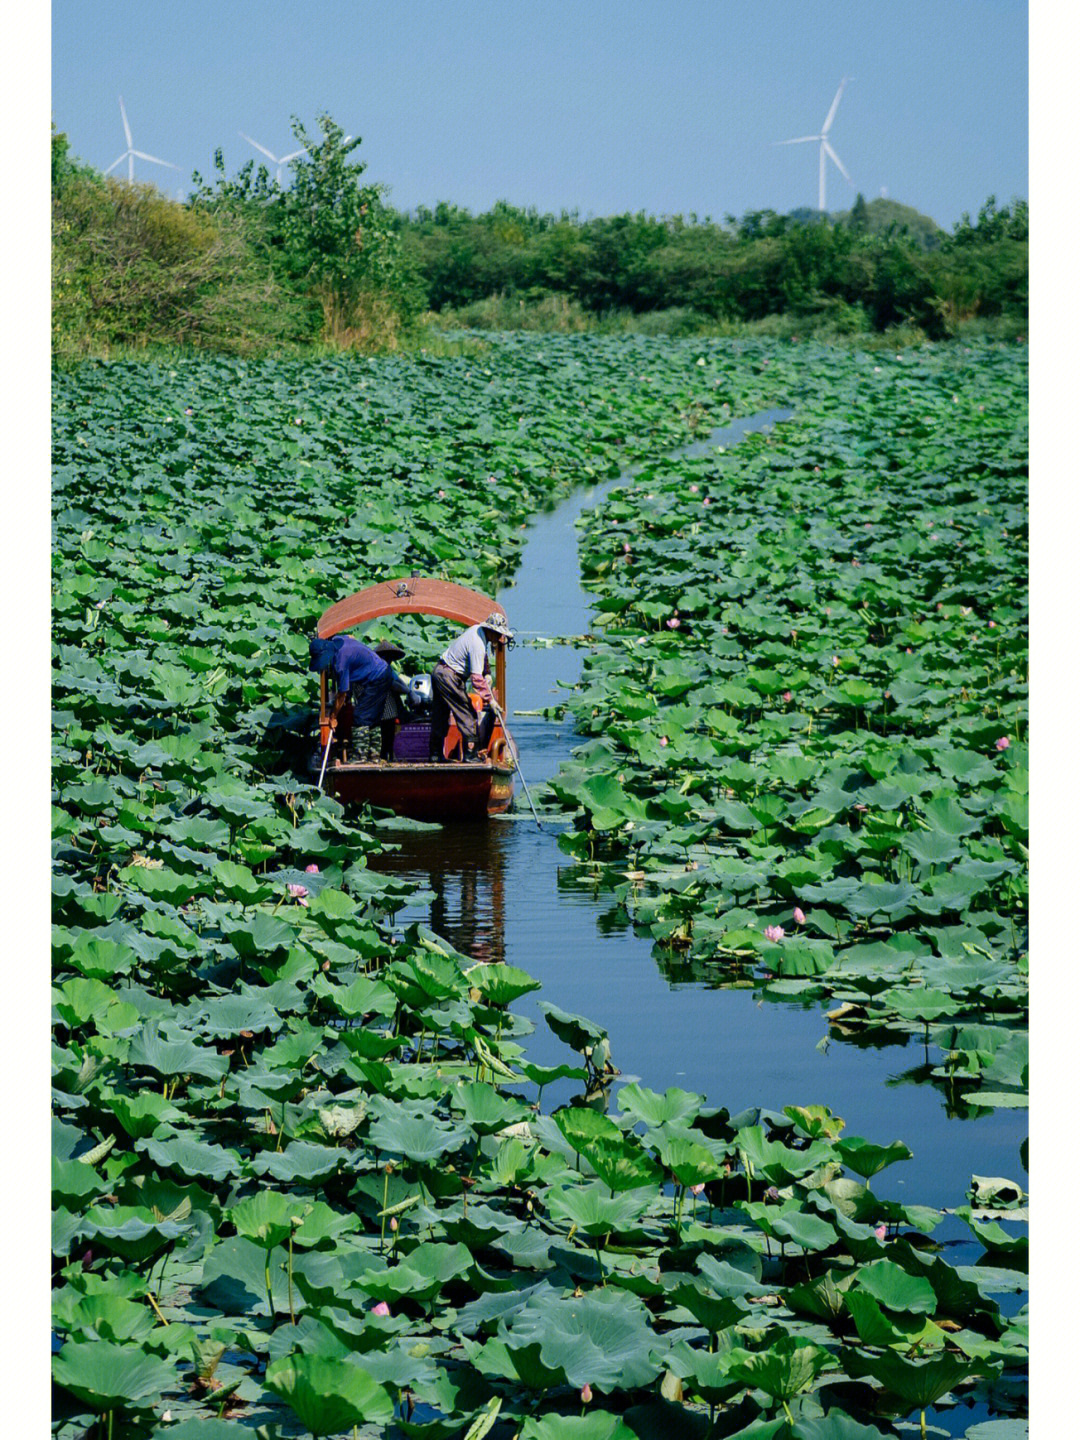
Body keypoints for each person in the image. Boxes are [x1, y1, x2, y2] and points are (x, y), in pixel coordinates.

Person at [308, 634, 409, 762]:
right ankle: (374, 756)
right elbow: (351, 636)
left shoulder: (340, 663)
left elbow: (342, 693)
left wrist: (333, 717)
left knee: (360, 717)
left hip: (378, 678)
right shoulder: (338, 640)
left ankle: (359, 757)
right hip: (382, 674)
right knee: (372, 718)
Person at [429, 612, 514, 762]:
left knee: (441, 714)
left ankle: (435, 756)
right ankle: (471, 755)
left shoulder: (477, 630)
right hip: (450, 676)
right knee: (467, 713)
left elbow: (483, 657)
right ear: (491, 631)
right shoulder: (477, 644)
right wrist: (491, 700)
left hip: (439, 672)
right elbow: (476, 679)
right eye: (498, 634)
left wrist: (487, 672)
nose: (498, 638)